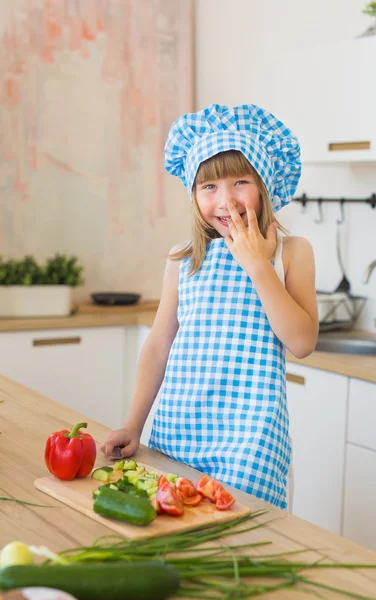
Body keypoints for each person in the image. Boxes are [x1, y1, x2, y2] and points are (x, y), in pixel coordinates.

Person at [101, 103, 318, 509]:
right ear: (193, 194)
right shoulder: (183, 259)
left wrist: (257, 263)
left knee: (239, 545)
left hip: (251, 440)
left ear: (264, 185)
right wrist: (133, 424)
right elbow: (158, 346)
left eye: (240, 182)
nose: (226, 200)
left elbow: (302, 342)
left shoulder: (292, 253)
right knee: (176, 536)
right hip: (178, 428)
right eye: (209, 187)